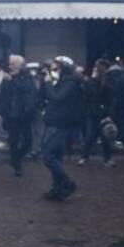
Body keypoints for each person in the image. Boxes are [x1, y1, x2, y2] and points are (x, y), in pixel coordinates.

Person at [39, 55, 84, 200]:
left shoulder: (70, 83)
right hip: (57, 122)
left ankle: (67, 183)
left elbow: (57, 98)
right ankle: (57, 188)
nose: (53, 69)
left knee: (48, 156)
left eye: (56, 67)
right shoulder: (66, 81)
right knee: (56, 157)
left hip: (60, 123)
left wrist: (47, 84)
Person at [0, 55, 37, 177]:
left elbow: (26, 88)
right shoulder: (6, 78)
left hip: (24, 113)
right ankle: (17, 166)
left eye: (13, 64)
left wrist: (13, 79)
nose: (11, 66)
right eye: (10, 64)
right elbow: (2, 96)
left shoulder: (27, 76)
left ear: (20, 65)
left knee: (27, 141)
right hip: (11, 114)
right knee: (13, 141)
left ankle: (17, 159)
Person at [79, 59, 114, 167]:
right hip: (97, 112)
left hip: (96, 112)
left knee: (97, 136)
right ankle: (105, 159)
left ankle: (85, 157)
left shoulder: (100, 82)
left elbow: (88, 97)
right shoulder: (99, 82)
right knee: (99, 136)